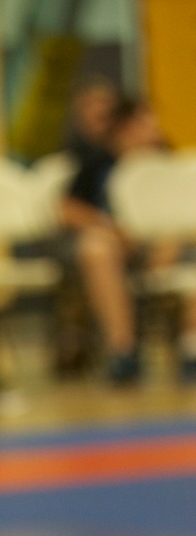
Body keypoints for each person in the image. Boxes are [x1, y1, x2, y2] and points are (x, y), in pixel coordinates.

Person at [60, 96, 196, 383]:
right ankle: (123, 351)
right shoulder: (99, 163)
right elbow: (67, 209)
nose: (154, 130)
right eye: (145, 123)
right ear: (124, 128)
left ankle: (191, 347)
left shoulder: (166, 161)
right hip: (119, 246)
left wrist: (170, 241)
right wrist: (112, 230)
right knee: (94, 249)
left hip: (169, 245)